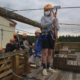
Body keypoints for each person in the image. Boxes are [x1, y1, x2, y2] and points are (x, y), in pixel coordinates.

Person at [41, 4, 59, 75]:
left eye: (47, 10)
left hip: (52, 35)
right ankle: (44, 68)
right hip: (45, 34)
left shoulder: (55, 18)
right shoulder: (43, 17)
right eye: (45, 10)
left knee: (50, 52)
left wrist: (56, 25)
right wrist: (52, 22)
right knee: (45, 52)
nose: (46, 11)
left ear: (51, 10)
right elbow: (43, 25)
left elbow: (57, 28)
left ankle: (48, 67)